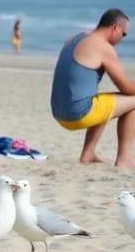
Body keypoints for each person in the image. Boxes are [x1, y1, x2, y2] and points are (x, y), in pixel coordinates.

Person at [50, 9, 135, 166]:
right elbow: (127, 88)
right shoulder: (102, 47)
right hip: (77, 114)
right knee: (133, 101)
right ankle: (124, 159)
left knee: (104, 101)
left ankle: (88, 154)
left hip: (58, 112)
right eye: (124, 34)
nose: (122, 39)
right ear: (116, 28)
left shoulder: (74, 39)